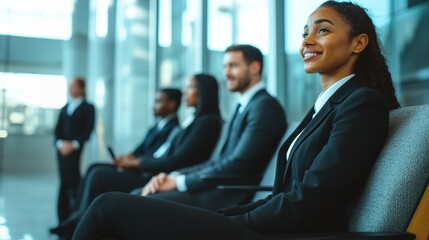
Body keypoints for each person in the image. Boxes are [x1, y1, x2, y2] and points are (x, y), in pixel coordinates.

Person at [71, 1, 401, 239]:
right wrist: (229, 216)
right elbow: (287, 191)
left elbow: (313, 199)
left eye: (323, 30)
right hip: (267, 219)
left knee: (108, 206)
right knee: (113, 210)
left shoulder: (361, 103)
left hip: (292, 230)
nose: (307, 41)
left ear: (359, 42)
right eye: (305, 33)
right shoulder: (325, 106)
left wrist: (238, 220)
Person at [53, 73, 224, 238]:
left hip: (162, 176)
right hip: (160, 173)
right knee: (95, 170)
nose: (185, 91)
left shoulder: (207, 123)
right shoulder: (194, 121)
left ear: (204, 91)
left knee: (98, 176)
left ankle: (78, 225)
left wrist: (137, 164)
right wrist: (132, 160)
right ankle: (77, 220)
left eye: (190, 87)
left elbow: (178, 160)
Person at [134, 44, 287, 210]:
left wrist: (179, 182)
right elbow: (216, 161)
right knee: (137, 194)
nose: (226, 73)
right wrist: (175, 176)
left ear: (254, 67)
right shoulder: (244, 106)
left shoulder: (265, 107)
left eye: (233, 66)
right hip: (217, 187)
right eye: (225, 67)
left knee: (137, 200)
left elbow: (238, 164)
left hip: (229, 196)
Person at [49, 87, 181, 235]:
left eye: (158, 101)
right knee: (93, 167)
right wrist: (126, 158)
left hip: (145, 174)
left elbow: (158, 157)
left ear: (171, 104)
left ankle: (80, 222)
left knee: (98, 175)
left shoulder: (174, 129)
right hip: (137, 167)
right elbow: (140, 149)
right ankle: (77, 215)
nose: (154, 105)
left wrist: (133, 162)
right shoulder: (157, 126)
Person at [53, 77, 95, 226]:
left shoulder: (88, 107)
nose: (70, 89)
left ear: (82, 88)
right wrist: (60, 144)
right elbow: (57, 130)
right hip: (61, 150)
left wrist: (74, 144)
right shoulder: (66, 107)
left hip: (74, 150)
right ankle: (63, 220)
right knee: (65, 181)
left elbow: (87, 130)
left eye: (73, 86)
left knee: (71, 180)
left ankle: (71, 219)